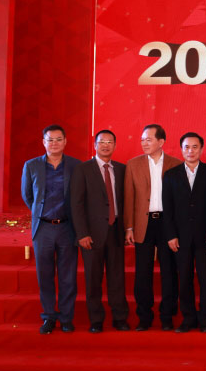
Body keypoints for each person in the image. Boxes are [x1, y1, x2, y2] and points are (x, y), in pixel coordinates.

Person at [21, 125, 81, 334]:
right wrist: (41, 212)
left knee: (67, 276)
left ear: (65, 141)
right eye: (50, 139)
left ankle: (66, 318)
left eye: (58, 139)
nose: (54, 143)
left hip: (67, 227)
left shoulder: (76, 165)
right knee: (45, 275)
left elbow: (80, 196)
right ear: (43, 142)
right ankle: (48, 316)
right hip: (43, 227)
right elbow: (28, 196)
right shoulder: (31, 166)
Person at [70, 130, 130, 333]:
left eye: (109, 142)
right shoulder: (83, 169)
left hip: (116, 231)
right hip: (91, 234)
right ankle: (96, 320)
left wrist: (127, 228)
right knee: (93, 278)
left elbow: (126, 201)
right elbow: (76, 204)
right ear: (95, 144)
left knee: (117, 278)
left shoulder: (122, 169)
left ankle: (120, 318)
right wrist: (82, 233)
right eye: (101, 141)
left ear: (115, 145)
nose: (105, 145)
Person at [124, 124, 182, 331]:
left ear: (161, 142)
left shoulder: (176, 164)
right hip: (143, 223)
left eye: (148, 139)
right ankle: (144, 316)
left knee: (169, 272)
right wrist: (129, 227)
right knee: (142, 273)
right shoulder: (133, 164)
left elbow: (179, 201)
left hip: (167, 223)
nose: (144, 143)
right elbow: (129, 198)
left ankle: (167, 316)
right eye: (142, 139)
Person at [162, 133, 206, 333]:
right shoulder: (171, 175)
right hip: (180, 237)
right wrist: (171, 235)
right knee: (184, 279)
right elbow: (168, 208)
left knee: (205, 279)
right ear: (181, 149)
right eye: (186, 147)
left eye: (195, 147)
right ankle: (188, 318)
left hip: (205, 236)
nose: (190, 151)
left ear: (201, 149)